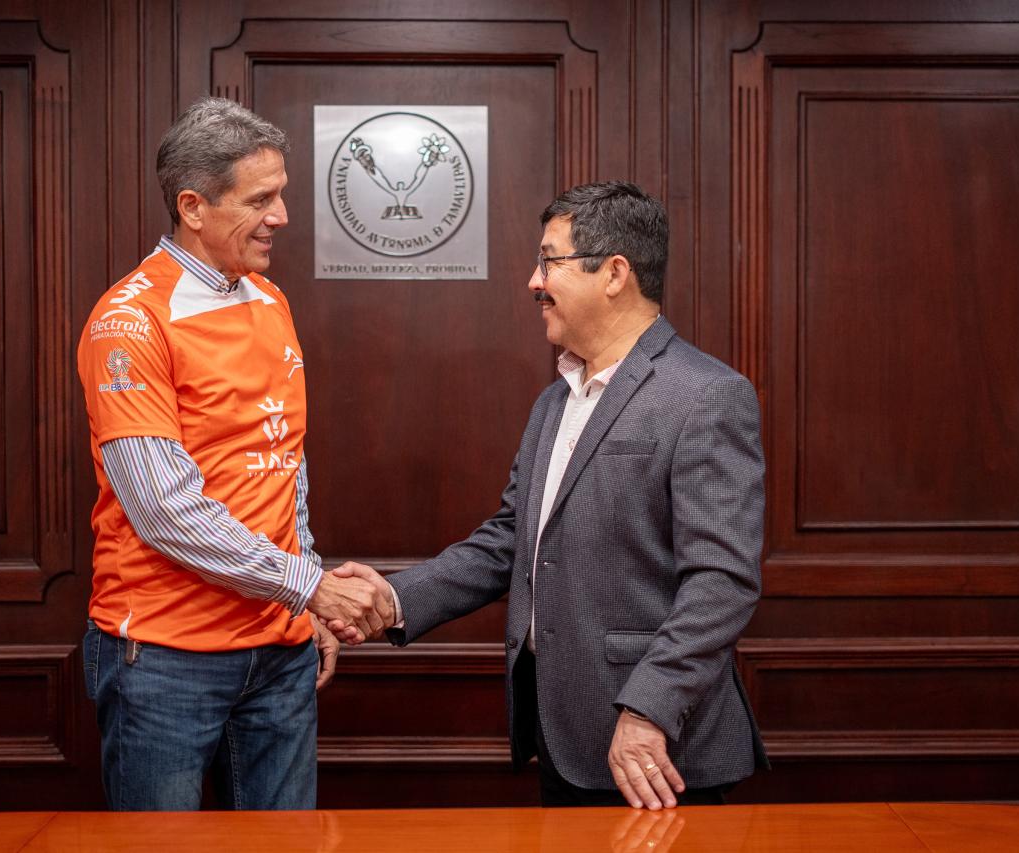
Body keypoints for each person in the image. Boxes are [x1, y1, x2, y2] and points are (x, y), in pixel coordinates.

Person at [332, 181, 768, 808]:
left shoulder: (706, 395)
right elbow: (511, 540)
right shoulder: (555, 401)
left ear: (614, 273)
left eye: (549, 261)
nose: (533, 281)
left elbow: (722, 582)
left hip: (656, 749)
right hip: (561, 734)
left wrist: (648, 709)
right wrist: (395, 598)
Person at [77, 97, 391, 812]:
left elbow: (284, 465)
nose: (282, 215)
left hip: (280, 652)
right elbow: (165, 511)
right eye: (260, 200)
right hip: (164, 655)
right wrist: (309, 587)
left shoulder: (270, 301)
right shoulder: (130, 321)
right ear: (193, 206)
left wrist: (305, 605)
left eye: (281, 194)